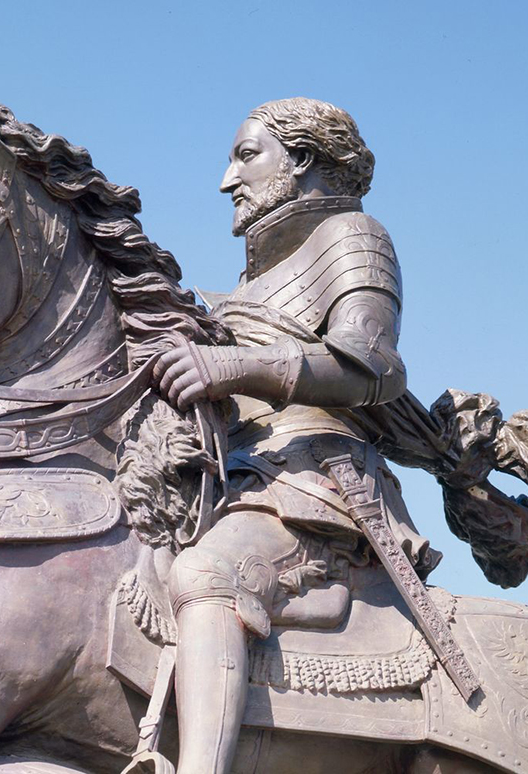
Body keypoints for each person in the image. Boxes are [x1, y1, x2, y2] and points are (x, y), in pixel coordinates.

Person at [152, 97, 439, 774]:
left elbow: (376, 365)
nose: (228, 180)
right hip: (234, 476)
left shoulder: (353, 237)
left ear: (303, 160)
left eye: (246, 156)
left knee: (208, 575)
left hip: (314, 481)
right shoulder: (240, 292)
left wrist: (234, 364)